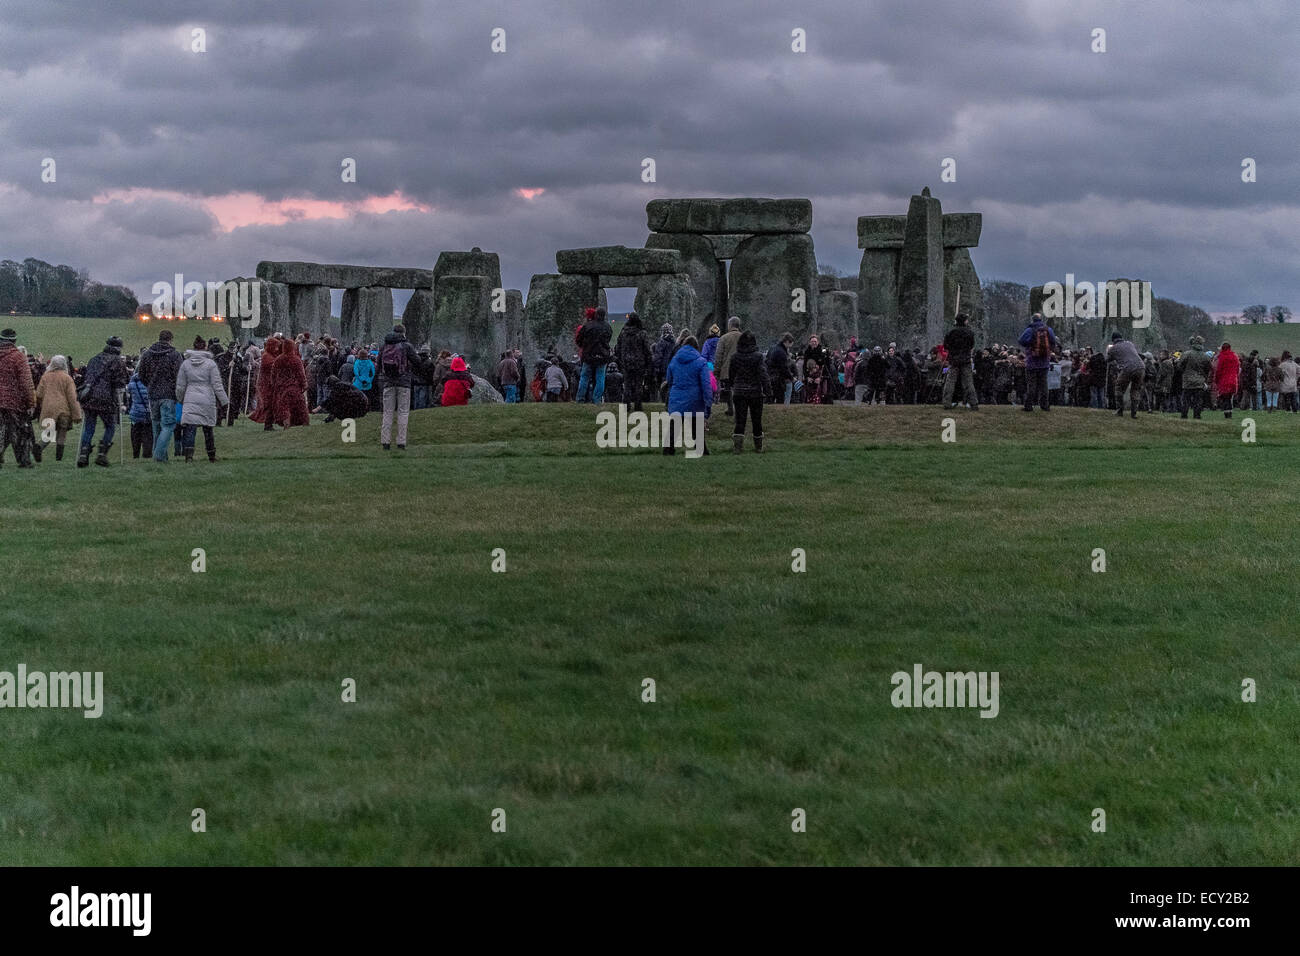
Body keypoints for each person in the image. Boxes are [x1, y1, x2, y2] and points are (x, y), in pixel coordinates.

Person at [77, 336, 130, 468]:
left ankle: (83, 454)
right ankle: (102, 454)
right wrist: (121, 401)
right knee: (110, 426)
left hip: (89, 397)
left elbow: (86, 376)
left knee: (89, 427)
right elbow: (120, 382)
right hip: (106, 398)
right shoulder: (117, 361)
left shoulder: (94, 359)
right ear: (118, 348)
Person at [175, 345, 229, 462]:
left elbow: (180, 386)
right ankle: (211, 455)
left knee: (190, 428)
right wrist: (224, 401)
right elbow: (217, 384)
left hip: (190, 397)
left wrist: (180, 399)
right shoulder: (211, 364)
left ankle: (188, 456)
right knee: (208, 429)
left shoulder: (185, 364)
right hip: (207, 398)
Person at [137, 328, 183, 462]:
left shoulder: (147, 355)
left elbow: (141, 375)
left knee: (156, 426)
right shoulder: (174, 355)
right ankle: (158, 454)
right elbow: (178, 375)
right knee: (168, 426)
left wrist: (150, 385)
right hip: (168, 394)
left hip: (152, 394)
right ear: (170, 340)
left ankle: (162, 457)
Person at [377, 324, 424, 450]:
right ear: (404, 333)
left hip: (388, 383)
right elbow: (417, 361)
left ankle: (385, 442)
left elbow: (378, 365)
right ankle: (401, 442)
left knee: (387, 412)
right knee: (403, 412)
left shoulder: (384, 346)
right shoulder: (406, 346)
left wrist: (380, 379)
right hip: (404, 382)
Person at [663, 335, 711, 456]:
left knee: (674, 427)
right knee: (697, 426)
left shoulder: (674, 360)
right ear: (696, 347)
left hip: (677, 398)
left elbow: (669, 379)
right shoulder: (701, 362)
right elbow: (706, 385)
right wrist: (708, 404)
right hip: (695, 399)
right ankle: (701, 449)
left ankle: (668, 450)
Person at [727, 330, 771, 452]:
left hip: (739, 391)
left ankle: (738, 447)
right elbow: (763, 374)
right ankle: (758, 447)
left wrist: (730, 385)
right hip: (755, 392)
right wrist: (768, 391)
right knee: (757, 421)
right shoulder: (758, 357)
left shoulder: (735, 357)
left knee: (740, 421)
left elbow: (731, 374)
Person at [32, 354, 80, 462]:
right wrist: (77, 414)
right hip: (64, 410)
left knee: (49, 433)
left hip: (48, 408)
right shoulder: (67, 378)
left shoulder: (45, 377)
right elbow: (73, 398)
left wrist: (42, 404)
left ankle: (39, 447)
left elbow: (39, 394)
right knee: (62, 433)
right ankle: (58, 459)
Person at [0, 328, 36, 469]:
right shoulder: (18, 357)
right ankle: (24, 460)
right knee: (21, 432)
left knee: (3, 431)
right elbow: (26, 382)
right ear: (14, 341)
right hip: (13, 400)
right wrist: (30, 403)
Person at [1017, 313, 1058, 411]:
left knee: (1032, 385)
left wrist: (1030, 344)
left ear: (1033, 320)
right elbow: (1053, 341)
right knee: (1044, 385)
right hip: (1044, 362)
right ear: (1041, 319)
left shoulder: (1030, 330)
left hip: (1032, 361)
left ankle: (1029, 406)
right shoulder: (1048, 329)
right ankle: (1045, 406)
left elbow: (1021, 340)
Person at [614, 311, 654, 412]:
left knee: (627, 384)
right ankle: (638, 406)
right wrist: (649, 361)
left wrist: (620, 359)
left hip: (626, 362)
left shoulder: (623, 333)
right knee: (638, 384)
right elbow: (647, 349)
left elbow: (617, 347)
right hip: (639, 362)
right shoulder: (642, 333)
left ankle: (626, 405)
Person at [941, 313, 979, 410]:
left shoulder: (951, 332)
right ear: (964, 321)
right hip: (965, 359)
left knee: (950, 381)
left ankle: (947, 402)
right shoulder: (969, 332)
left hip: (953, 359)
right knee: (968, 382)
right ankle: (973, 403)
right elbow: (971, 345)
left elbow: (945, 346)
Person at [575, 306, 612, 403]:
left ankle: (580, 399)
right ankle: (597, 400)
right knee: (600, 378)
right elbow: (608, 340)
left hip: (588, 356)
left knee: (584, 378)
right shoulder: (608, 327)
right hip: (602, 356)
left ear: (596, 314)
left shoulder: (588, 326)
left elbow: (579, 339)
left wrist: (584, 346)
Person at [1106, 331, 1145, 419]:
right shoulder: (1130, 344)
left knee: (1119, 388)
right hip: (1141, 367)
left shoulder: (1113, 348)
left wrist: (1108, 351)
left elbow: (1107, 360)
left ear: (1113, 340)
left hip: (1127, 368)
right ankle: (1134, 413)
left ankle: (1119, 411)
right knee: (1135, 390)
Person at [273, 336, 311, 428]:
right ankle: (305, 424)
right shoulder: (296, 359)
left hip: (282, 388)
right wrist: (304, 384)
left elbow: (273, 374)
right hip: (295, 387)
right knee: (301, 407)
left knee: (285, 408)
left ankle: (287, 425)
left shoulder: (278, 360)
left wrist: (275, 384)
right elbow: (301, 374)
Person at [1177, 335, 1212, 419]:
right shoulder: (1205, 356)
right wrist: (1204, 377)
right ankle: (1197, 415)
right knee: (1198, 400)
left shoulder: (1187, 354)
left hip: (1187, 380)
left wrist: (1184, 372)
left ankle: (1184, 415)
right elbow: (1208, 368)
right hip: (1200, 381)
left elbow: (1179, 366)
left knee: (1186, 400)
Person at [713, 317, 743, 415]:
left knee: (728, 388)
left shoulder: (724, 338)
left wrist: (717, 370)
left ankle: (730, 408)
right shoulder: (744, 337)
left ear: (730, 325)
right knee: (740, 389)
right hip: (742, 368)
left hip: (727, 369)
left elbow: (719, 355)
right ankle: (740, 408)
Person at [126, 369, 152, 458]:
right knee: (148, 434)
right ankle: (147, 453)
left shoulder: (133, 384)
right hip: (147, 412)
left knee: (135, 435)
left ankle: (135, 453)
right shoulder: (150, 383)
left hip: (135, 412)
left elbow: (128, 391)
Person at [1213, 341, 1240, 419]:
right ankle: (1230, 413)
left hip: (1224, 380)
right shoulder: (1235, 356)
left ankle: (1227, 414)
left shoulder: (1222, 357)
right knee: (1229, 397)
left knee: (1225, 398)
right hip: (1233, 380)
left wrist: (1216, 380)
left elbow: (1218, 370)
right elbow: (1238, 368)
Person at [766, 333, 796, 404]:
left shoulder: (774, 348)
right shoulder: (781, 352)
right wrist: (791, 378)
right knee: (780, 399)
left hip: (770, 376)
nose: (790, 346)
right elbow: (784, 368)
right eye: (791, 344)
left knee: (771, 399)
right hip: (778, 379)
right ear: (788, 342)